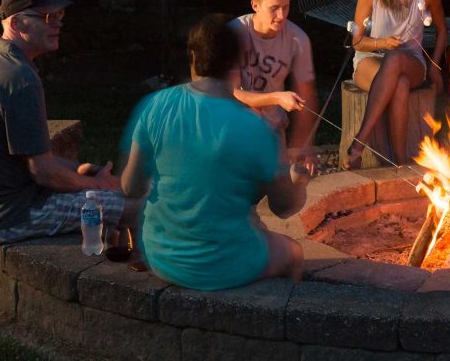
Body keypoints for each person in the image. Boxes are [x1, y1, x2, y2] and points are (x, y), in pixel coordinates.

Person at [120, 15, 312, 290]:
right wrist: (300, 182)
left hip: (160, 256)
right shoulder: (255, 127)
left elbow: (130, 187)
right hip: (226, 264)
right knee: (293, 252)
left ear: (193, 55)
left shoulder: (155, 105)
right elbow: (283, 207)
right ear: (239, 61)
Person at [0, 0, 137, 253]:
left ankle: (119, 247)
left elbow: (36, 159)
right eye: (48, 17)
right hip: (12, 215)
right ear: (17, 25)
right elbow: (44, 173)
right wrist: (97, 185)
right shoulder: (19, 78)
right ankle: (154, 273)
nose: (58, 23)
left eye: (60, 15)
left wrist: (80, 172)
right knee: (138, 207)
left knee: (92, 177)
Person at [346, 0, 448, 167]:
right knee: (398, 83)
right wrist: (382, 42)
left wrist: (434, 67)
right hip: (369, 59)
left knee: (395, 60)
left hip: (410, 61)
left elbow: (443, 30)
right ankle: (398, 164)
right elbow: (357, 41)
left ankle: (359, 143)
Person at [229, 0, 319, 150]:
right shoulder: (234, 33)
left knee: (286, 176)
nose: (281, 15)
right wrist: (277, 97)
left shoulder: (297, 39)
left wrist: (302, 143)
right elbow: (229, 91)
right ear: (255, 5)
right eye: (274, 8)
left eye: (286, 7)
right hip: (234, 124)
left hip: (273, 126)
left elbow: (307, 94)